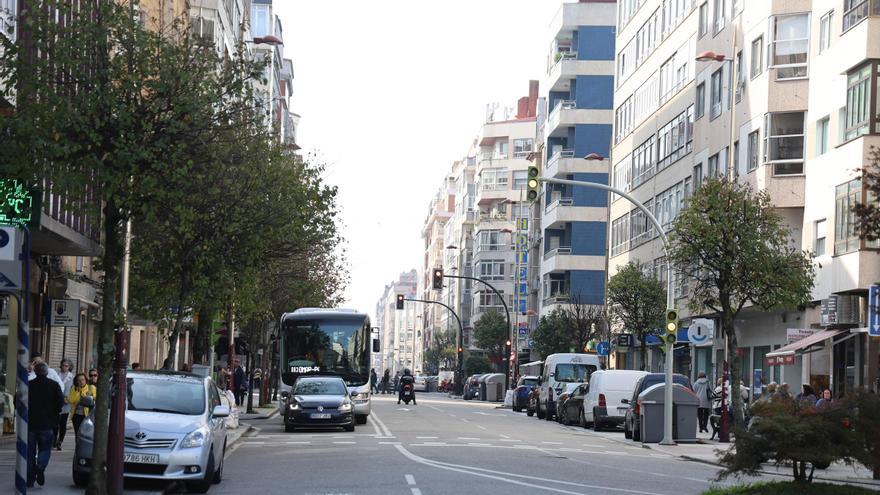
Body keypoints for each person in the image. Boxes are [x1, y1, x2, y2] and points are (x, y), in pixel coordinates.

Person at [28, 362, 64, 487]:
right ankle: (40, 466)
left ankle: (30, 478)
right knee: (45, 449)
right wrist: (55, 413)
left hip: (30, 423)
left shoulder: (29, 385)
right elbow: (60, 402)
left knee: (30, 452)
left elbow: (19, 399)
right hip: (47, 423)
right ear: (47, 372)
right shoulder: (54, 385)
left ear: (35, 372)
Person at [68, 372, 96, 440]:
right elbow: (71, 400)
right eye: (79, 380)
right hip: (76, 415)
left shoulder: (91, 388)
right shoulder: (74, 389)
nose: (81, 382)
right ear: (76, 381)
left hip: (87, 415)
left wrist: (84, 393)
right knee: (77, 433)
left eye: (83, 380)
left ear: (86, 380)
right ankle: (78, 448)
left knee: (86, 434)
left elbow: (95, 398)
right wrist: (77, 392)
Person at [55, 359, 74, 450]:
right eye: (63, 365)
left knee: (63, 423)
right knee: (55, 423)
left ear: (69, 367)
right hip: (56, 402)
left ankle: (60, 441)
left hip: (66, 403)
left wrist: (69, 399)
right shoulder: (56, 375)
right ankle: (54, 440)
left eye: (66, 366)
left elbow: (73, 391)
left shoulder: (72, 377)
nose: (64, 367)